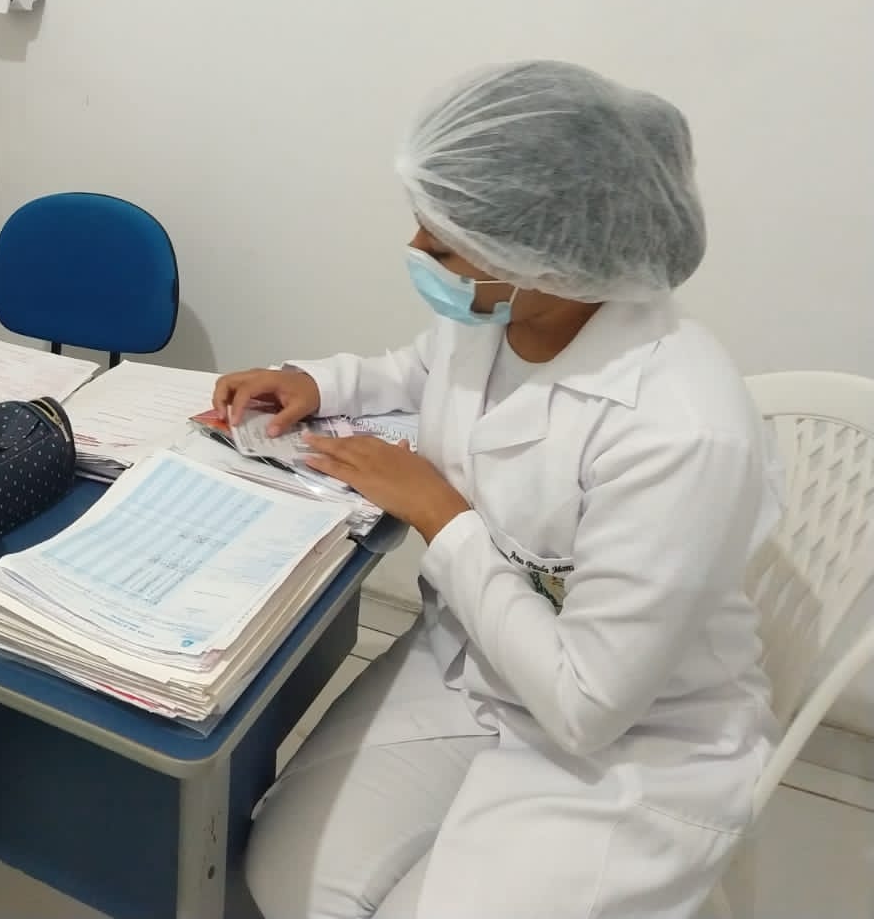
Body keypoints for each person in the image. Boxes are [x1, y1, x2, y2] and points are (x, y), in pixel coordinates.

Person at [220, 61, 778, 919]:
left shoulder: (682, 431)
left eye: (443, 245)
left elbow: (587, 706)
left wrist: (438, 513)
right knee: (291, 884)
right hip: (470, 659)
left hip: (631, 740)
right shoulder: (502, 315)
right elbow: (417, 370)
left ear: (546, 257)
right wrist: (318, 382)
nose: (417, 253)